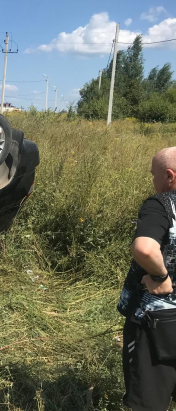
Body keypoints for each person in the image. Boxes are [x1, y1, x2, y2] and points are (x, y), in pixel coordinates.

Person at [118, 147, 176, 410]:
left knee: (148, 400)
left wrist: (160, 276)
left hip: (158, 323)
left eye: (154, 175)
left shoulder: (162, 204)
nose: (152, 181)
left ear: (169, 175)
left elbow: (144, 247)